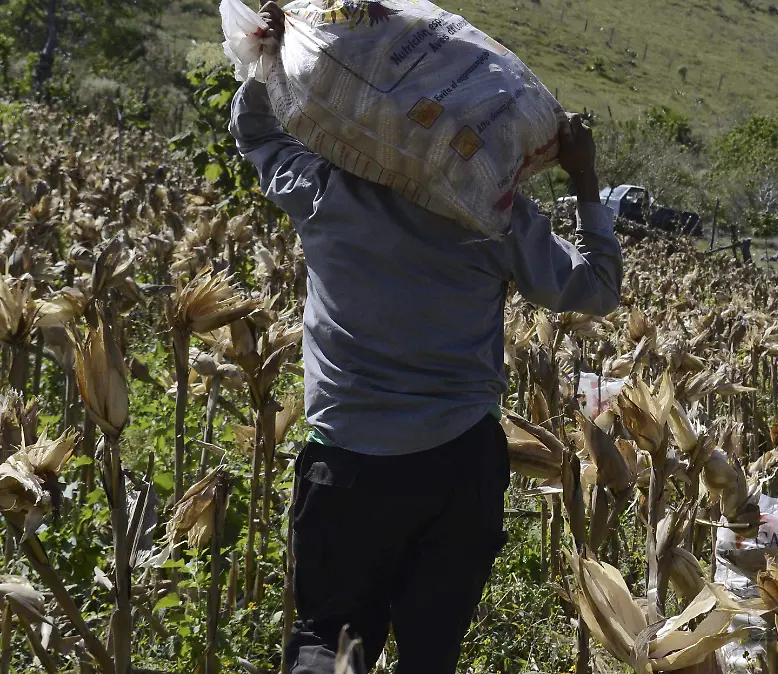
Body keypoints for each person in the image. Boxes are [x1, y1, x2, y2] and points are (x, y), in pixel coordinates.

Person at [229, 3, 622, 673]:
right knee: (430, 655)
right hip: (457, 468)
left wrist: (268, 52)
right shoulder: (494, 220)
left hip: (347, 463)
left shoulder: (324, 193)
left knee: (328, 638)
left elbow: (257, 132)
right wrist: (585, 180)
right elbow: (596, 289)